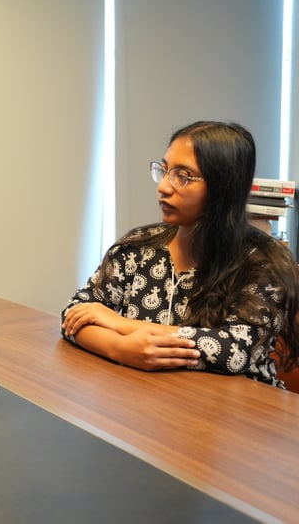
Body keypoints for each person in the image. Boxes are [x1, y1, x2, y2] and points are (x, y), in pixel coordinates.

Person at [61, 120, 299, 388]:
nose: (163, 187)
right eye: (164, 171)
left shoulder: (262, 263)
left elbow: (232, 350)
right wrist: (120, 349)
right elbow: (76, 314)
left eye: (183, 176)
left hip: (241, 407)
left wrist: (119, 324)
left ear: (224, 187)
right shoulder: (136, 249)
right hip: (151, 399)